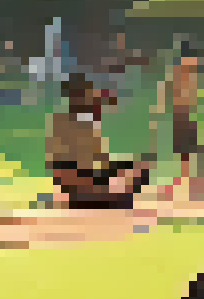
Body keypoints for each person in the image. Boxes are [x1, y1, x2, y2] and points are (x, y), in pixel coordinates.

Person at [46, 75, 151, 210]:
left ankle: (103, 198)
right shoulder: (67, 123)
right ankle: (99, 199)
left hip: (87, 176)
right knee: (133, 174)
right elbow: (69, 166)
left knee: (138, 170)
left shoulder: (86, 122)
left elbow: (99, 161)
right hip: (78, 176)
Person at [165, 45, 204, 204]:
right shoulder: (180, 74)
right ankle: (187, 188)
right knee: (186, 155)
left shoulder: (190, 75)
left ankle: (191, 187)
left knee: (192, 154)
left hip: (188, 118)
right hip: (181, 119)